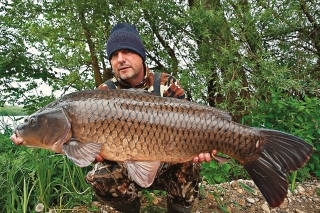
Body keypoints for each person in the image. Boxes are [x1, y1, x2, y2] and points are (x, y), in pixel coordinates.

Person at [85, 23, 217, 213]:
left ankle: (178, 208)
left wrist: (200, 147)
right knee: (99, 177)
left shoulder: (166, 84)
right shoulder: (104, 94)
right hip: (127, 167)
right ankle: (131, 208)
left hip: (167, 163)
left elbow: (191, 127)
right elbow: (90, 146)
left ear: (141, 55)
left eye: (127, 51)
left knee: (190, 165)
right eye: (114, 55)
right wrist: (93, 154)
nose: (120, 59)